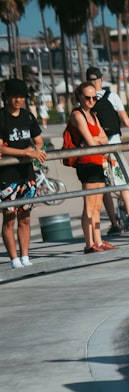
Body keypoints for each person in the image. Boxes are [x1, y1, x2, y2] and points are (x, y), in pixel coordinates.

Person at [85, 66, 129, 235]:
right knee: (122, 182)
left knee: (105, 186)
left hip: (97, 148)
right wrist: (114, 128)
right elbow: (127, 122)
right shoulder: (112, 97)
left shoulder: (86, 100)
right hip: (114, 144)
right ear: (101, 79)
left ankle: (114, 223)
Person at [0, 78, 45, 269]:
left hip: (27, 175)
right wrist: (24, 152)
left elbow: (39, 140)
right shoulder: (1, 117)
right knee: (9, 217)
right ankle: (14, 259)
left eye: (22, 97)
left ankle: (25, 256)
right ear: (6, 97)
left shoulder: (28, 116)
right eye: (15, 96)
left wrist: (35, 149)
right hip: (7, 175)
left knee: (25, 217)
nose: (18, 100)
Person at [68, 82, 115, 254]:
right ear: (79, 97)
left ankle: (98, 240)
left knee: (96, 205)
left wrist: (95, 139)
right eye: (87, 97)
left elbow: (104, 139)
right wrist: (95, 139)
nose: (91, 101)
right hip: (86, 162)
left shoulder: (93, 114)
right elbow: (90, 141)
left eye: (94, 97)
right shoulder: (77, 115)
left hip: (98, 161)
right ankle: (89, 244)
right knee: (89, 205)